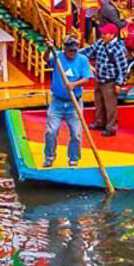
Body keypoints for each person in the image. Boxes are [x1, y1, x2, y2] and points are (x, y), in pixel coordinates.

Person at [43, 34, 93, 167]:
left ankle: (73, 158)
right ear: (64, 49)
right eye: (70, 50)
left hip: (74, 102)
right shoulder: (57, 55)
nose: (72, 53)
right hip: (57, 102)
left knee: (76, 133)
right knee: (51, 131)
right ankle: (49, 156)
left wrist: (74, 84)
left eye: (74, 50)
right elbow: (46, 59)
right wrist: (49, 48)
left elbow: (86, 79)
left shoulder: (82, 60)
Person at [84, 23, 130, 136]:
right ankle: (100, 122)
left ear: (112, 35)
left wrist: (119, 83)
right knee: (98, 102)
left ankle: (111, 127)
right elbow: (89, 51)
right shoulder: (100, 43)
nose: (102, 35)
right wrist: (73, 53)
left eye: (105, 34)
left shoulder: (118, 49)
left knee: (110, 106)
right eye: (102, 33)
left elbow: (123, 68)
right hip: (99, 78)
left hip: (110, 81)